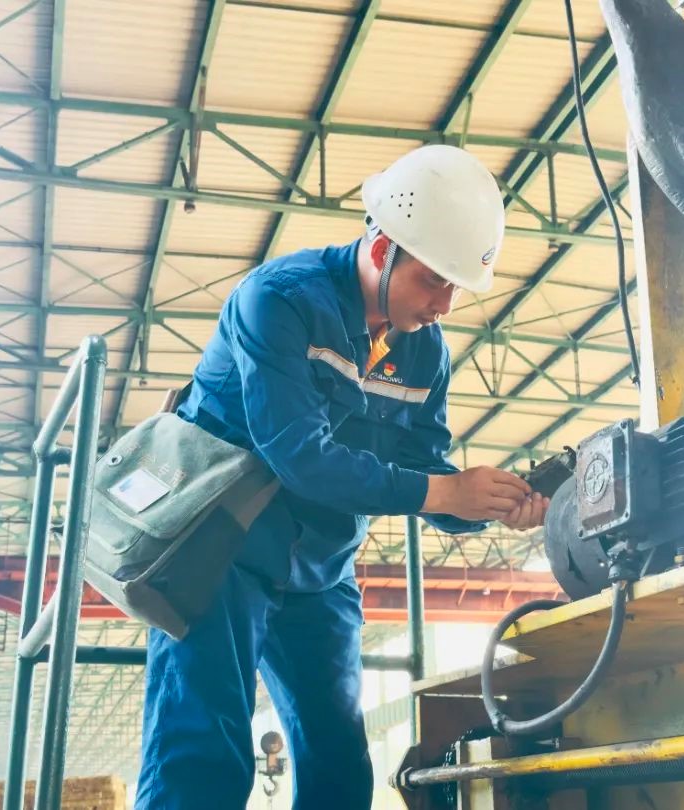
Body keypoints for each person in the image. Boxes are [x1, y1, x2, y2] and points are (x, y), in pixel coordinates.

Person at [135, 144, 549, 809]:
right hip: (221, 556)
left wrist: (489, 501)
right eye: (433, 280)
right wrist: (445, 490)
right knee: (201, 760)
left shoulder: (425, 352)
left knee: (339, 769)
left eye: (456, 287)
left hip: (321, 571)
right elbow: (299, 456)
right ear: (382, 249)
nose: (444, 304)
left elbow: (424, 470)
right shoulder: (279, 301)